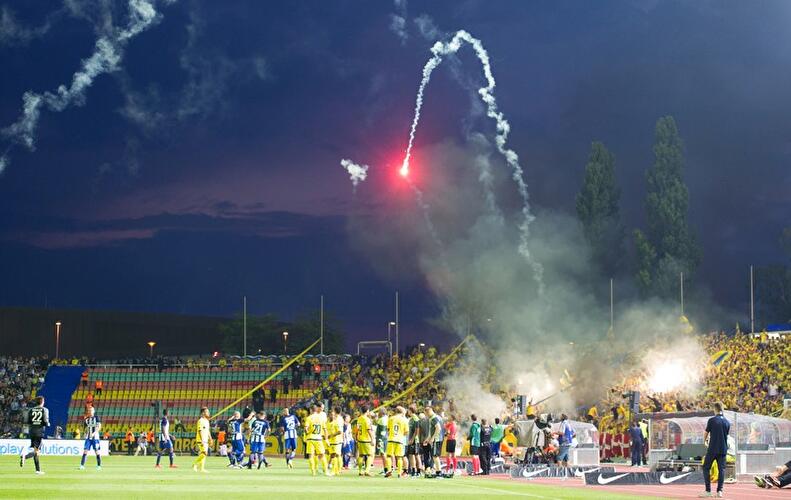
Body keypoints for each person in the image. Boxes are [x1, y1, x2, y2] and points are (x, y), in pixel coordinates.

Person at [699, 402, 730, 498]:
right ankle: (719, 491)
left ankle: (708, 490)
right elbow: (726, 436)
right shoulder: (727, 422)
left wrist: (704, 442)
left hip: (712, 448)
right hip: (723, 449)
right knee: (722, 470)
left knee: (705, 467)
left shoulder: (712, 420)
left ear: (715, 409)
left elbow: (706, 432)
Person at [19, 396, 49, 475]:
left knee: (36, 450)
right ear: (42, 402)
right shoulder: (45, 410)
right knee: (37, 451)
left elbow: (27, 421)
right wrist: (47, 424)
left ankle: (37, 469)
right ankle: (25, 457)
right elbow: (46, 421)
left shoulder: (31, 410)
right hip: (39, 432)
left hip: (32, 432)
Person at [305, 403, 328, 476]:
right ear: (316, 409)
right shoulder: (321, 418)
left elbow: (306, 429)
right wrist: (326, 439)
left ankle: (313, 472)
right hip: (318, 438)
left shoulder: (309, 418)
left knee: (311, 456)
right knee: (322, 455)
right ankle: (326, 471)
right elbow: (325, 429)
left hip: (310, 438)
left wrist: (307, 432)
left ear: (311, 410)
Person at [384, 406, 408, 478]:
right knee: (399, 457)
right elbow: (406, 432)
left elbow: (388, 429)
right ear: (402, 412)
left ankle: (389, 471)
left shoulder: (391, 418)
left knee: (388, 456)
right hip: (400, 440)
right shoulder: (404, 420)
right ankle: (399, 473)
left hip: (391, 439)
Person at [354, 406, 375, 476]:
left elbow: (356, 429)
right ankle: (367, 471)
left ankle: (360, 471)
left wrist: (356, 437)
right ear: (367, 411)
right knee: (370, 455)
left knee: (361, 455)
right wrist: (372, 439)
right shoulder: (367, 419)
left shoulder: (359, 419)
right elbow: (368, 430)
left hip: (360, 439)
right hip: (366, 440)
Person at [192, 407, 212, 473]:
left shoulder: (207, 421)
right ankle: (194, 464)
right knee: (204, 453)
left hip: (206, 440)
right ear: (203, 413)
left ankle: (201, 469)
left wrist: (210, 438)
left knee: (204, 455)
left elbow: (207, 430)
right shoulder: (200, 421)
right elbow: (199, 431)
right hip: (201, 440)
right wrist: (202, 440)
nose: (208, 413)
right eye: (207, 412)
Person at [327, 407, 344, 476]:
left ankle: (335, 470)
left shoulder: (338, 419)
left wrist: (331, 435)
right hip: (336, 440)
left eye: (333, 412)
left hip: (336, 440)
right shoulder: (338, 419)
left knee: (334, 454)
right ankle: (338, 469)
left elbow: (339, 431)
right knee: (337, 454)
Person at [427, 406, 443, 476]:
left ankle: (438, 472)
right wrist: (428, 438)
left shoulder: (434, 418)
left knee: (435, 456)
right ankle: (437, 470)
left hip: (437, 439)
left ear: (429, 411)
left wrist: (433, 438)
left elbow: (438, 428)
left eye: (426, 414)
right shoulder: (438, 417)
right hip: (440, 438)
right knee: (435, 456)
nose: (426, 416)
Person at [406, 405, 421, 477]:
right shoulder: (411, 418)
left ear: (411, 410)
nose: (407, 411)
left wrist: (412, 439)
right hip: (411, 439)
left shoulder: (415, 418)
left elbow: (417, 430)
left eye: (408, 410)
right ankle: (415, 471)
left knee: (415, 455)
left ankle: (416, 471)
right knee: (413, 455)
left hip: (415, 440)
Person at [375, 407, 389, 475]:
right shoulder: (387, 418)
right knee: (384, 454)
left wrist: (379, 439)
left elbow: (382, 432)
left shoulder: (381, 419)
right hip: (385, 438)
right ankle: (386, 469)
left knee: (383, 454)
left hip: (382, 439)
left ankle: (386, 469)